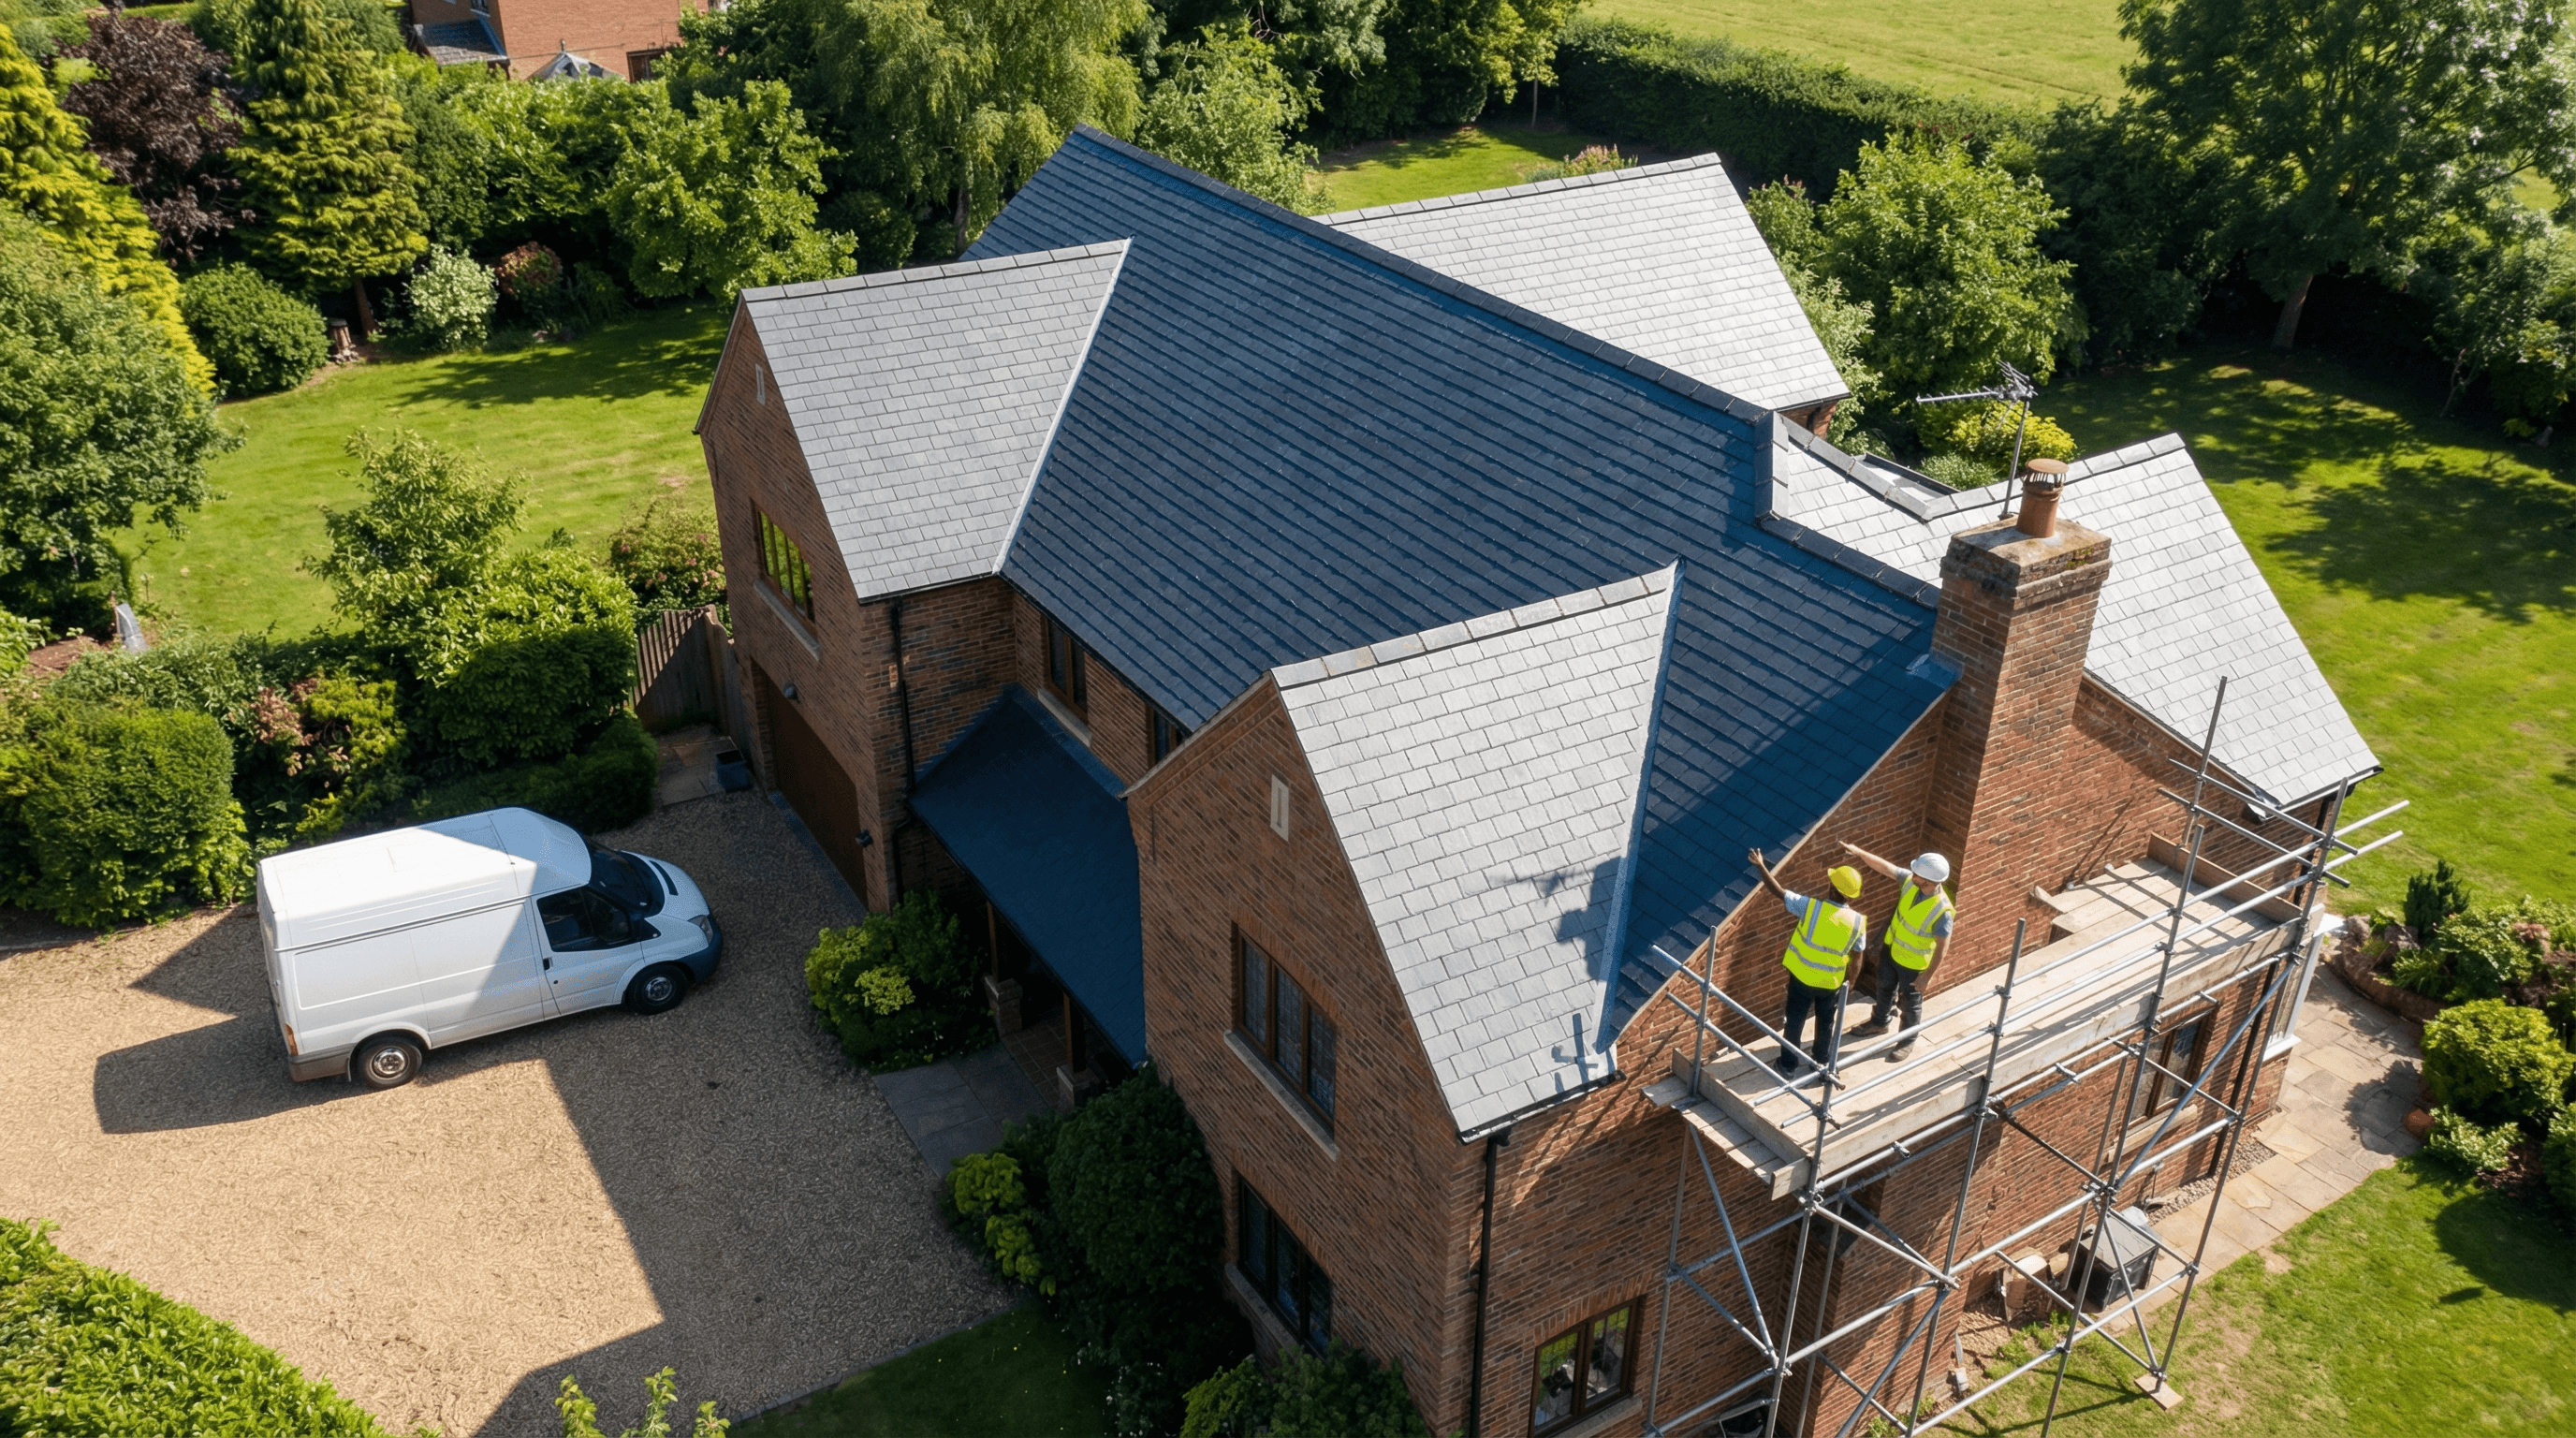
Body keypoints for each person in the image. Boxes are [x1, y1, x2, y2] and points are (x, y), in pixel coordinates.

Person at [1749, 847, 1866, 1077]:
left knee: (1794, 1022)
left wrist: (1761, 866)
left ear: (1832, 887)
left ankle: (1788, 1065)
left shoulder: (1810, 907)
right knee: (1826, 1024)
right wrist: (1851, 983)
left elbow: (1779, 892)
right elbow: (1858, 957)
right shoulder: (1857, 922)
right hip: (1830, 983)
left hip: (1801, 978)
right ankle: (1820, 1064)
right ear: (1852, 896)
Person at [1841, 844, 1955, 1060]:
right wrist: (1858, 852)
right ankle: (1879, 1022)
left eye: (1918, 875)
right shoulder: (1911, 884)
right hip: (1892, 951)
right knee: (1884, 988)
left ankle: (1907, 1040)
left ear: (1930, 881)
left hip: (1913, 964)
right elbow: (1886, 868)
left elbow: (1943, 947)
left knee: (1911, 1005)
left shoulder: (1942, 911)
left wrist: (1927, 976)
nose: (1912, 876)